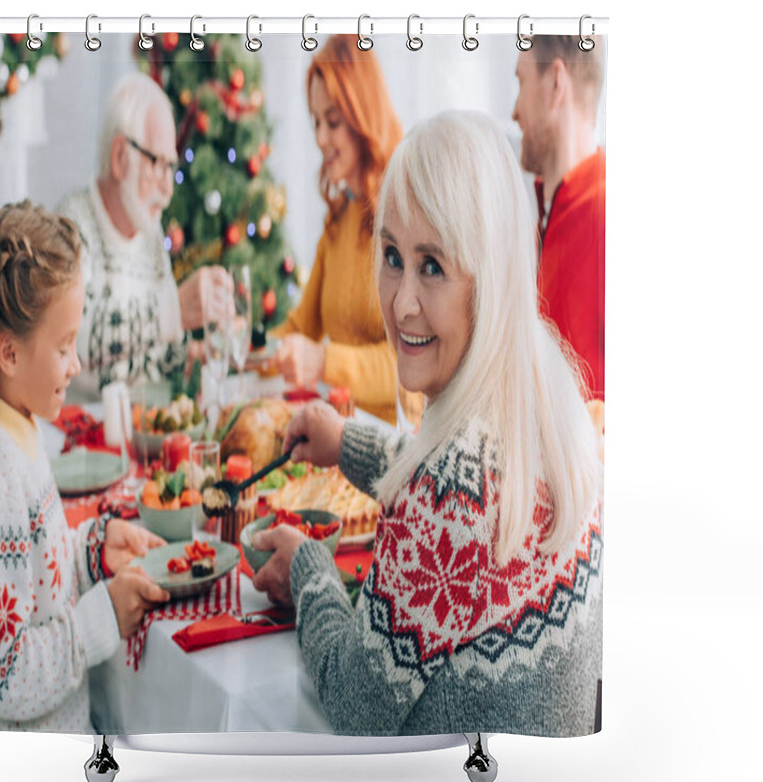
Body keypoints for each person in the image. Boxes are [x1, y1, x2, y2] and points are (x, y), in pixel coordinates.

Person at [252, 111, 603, 737]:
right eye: (392, 256)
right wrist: (347, 443)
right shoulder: (552, 390)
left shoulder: (448, 494)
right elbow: (451, 483)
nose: (401, 301)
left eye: (432, 266)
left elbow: (356, 704)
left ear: (486, 279)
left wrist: (310, 567)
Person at [0, 201, 169, 732]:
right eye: (63, 346)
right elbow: (3, 676)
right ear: (9, 354)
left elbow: (34, 586)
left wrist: (90, 551)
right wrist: (100, 620)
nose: (76, 365)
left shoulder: (23, 429)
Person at [272, 35, 421, 426]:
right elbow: (298, 327)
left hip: (397, 444)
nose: (320, 138)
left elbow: (412, 365)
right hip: (343, 438)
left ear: (361, 114)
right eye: (316, 122)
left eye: (332, 122)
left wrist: (324, 361)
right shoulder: (339, 219)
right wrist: (239, 348)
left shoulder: (408, 209)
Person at [57, 72, 233, 400]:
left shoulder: (150, 235)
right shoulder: (71, 224)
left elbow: (154, 350)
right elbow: (75, 340)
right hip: (79, 434)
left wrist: (189, 355)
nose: (167, 190)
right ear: (120, 157)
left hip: (142, 430)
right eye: (157, 164)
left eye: (171, 168)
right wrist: (175, 308)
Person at [512, 36, 606, 399]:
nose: (514, 111)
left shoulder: (605, 214)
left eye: (520, 83)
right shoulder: (543, 214)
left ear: (554, 84)